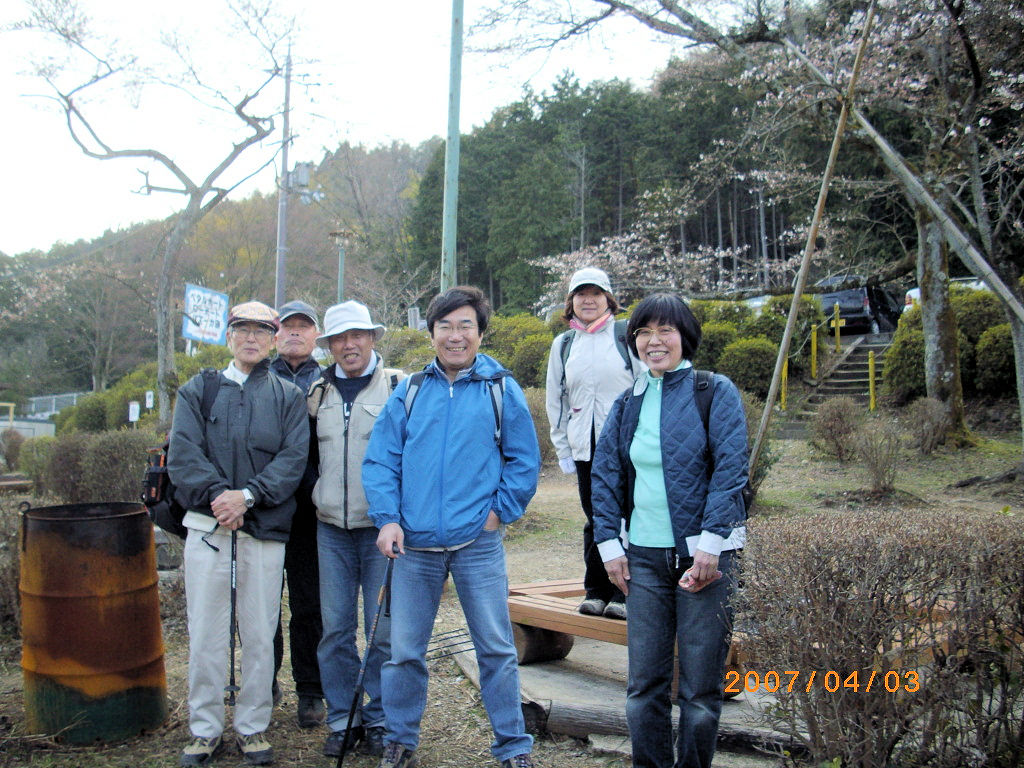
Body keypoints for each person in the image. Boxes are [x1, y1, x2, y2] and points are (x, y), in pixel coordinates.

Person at [363, 286, 540, 768]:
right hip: (413, 548)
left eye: (466, 326)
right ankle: (400, 740)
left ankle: (513, 745)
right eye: (445, 326)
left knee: (496, 648)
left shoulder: (500, 388)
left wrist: (498, 513)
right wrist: (388, 519)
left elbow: (523, 460)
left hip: (476, 544)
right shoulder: (410, 391)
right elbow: (381, 461)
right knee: (404, 652)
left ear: (480, 333)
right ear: (432, 334)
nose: (455, 336)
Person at [591, 293, 748, 768]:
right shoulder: (628, 402)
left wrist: (711, 545)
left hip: (705, 559)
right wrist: (609, 546)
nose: (653, 341)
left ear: (685, 336)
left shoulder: (714, 390)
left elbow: (731, 471)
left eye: (665, 330)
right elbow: (605, 476)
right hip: (642, 560)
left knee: (700, 689)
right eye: (643, 332)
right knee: (644, 687)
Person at [169, 301, 309, 767]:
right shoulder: (198, 390)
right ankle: (204, 729)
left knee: (259, 630)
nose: (251, 338)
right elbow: (183, 455)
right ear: (228, 336)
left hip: (264, 529)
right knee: (206, 633)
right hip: (208, 527)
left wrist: (247, 496)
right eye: (242, 329)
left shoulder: (288, 396)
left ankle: (252, 726)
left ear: (273, 339)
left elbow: (293, 459)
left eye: (261, 331)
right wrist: (219, 497)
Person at [308, 300, 404, 758]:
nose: (349, 345)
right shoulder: (316, 393)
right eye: (339, 338)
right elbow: (308, 459)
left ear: (371, 338)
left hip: (381, 531)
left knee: (382, 629)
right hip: (331, 530)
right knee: (335, 630)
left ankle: (381, 719)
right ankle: (343, 719)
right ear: (329, 345)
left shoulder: (399, 386)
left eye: (357, 336)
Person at [545, 266, 642, 620]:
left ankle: (624, 592)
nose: (588, 300)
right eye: (581, 294)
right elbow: (556, 399)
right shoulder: (564, 344)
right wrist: (562, 448)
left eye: (596, 293)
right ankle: (596, 590)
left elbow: (645, 386)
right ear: (571, 301)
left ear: (608, 299)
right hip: (585, 447)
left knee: (629, 517)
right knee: (596, 518)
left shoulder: (626, 335)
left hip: (627, 446)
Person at [269, 299, 326, 727]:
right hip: (265, 510)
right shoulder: (258, 378)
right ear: (275, 334)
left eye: (303, 326)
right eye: (287, 326)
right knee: (263, 605)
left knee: (310, 605)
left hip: (311, 512)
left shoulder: (329, 381)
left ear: (315, 335)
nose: (294, 332)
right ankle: (263, 681)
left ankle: (310, 689)